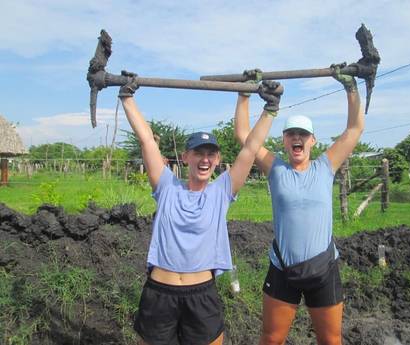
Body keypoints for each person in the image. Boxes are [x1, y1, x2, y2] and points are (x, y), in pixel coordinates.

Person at [118, 70, 283, 345]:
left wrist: (270, 110)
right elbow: (147, 139)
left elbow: (250, 148)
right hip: (160, 294)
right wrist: (127, 97)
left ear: (217, 160)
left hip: (202, 295)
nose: (204, 159)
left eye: (210, 154)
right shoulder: (166, 186)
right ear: (185, 157)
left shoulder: (222, 192)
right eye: (198, 153)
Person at [234, 65, 364, 345]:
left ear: (313, 141)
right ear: (283, 139)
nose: (297, 138)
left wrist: (350, 88)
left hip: (324, 270)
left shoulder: (325, 166)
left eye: (303, 134)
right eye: (291, 133)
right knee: (271, 338)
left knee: (331, 340)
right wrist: (244, 92)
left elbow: (354, 128)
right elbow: (244, 134)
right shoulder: (275, 168)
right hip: (282, 269)